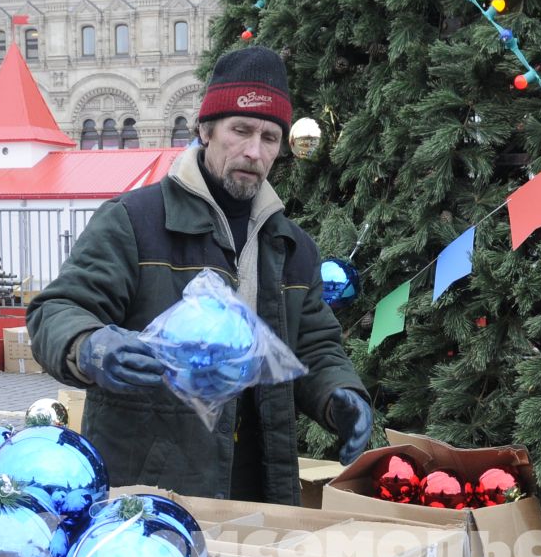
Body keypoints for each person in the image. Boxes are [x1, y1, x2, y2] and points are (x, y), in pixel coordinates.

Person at [27, 46, 372, 504]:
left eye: (269, 138)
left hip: (259, 486)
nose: (253, 150)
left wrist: (339, 396)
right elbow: (58, 309)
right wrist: (89, 347)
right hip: (150, 490)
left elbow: (315, 344)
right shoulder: (133, 220)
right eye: (241, 130)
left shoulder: (292, 246)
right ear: (206, 130)